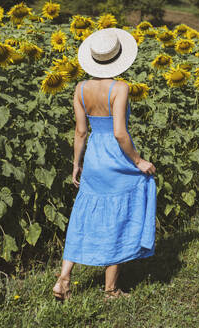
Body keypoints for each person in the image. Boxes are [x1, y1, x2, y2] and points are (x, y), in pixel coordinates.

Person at [52, 28, 157, 302]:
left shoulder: (80, 88)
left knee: (83, 214)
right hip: (116, 157)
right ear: (119, 58)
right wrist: (138, 160)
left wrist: (76, 163)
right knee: (120, 213)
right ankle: (110, 289)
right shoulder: (120, 88)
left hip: (93, 158)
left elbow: (80, 131)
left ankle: (63, 279)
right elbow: (120, 133)